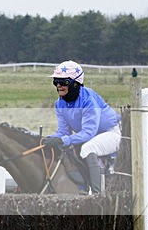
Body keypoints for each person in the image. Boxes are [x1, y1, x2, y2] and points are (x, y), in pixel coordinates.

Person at [41, 60, 121, 193]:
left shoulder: (88, 100)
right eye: (56, 82)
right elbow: (63, 131)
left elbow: (88, 132)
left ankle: (97, 195)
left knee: (88, 148)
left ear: (75, 83)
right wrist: (48, 138)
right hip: (93, 136)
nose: (59, 86)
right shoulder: (59, 104)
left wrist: (63, 140)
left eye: (64, 82)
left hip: (113, 133)